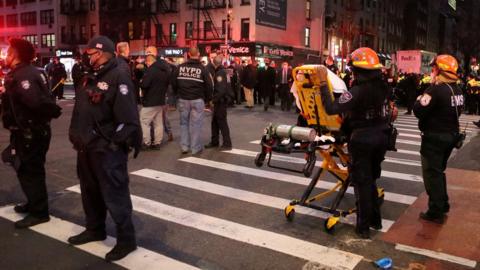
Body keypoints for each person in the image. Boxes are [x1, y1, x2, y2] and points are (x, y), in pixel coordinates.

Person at [68, 36, 141, 261]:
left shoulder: (118, 76)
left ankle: (126, 240)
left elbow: (128, 118)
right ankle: (95, 228)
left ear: (99, 53)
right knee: (90, 192)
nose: (86, 58)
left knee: (115, 194)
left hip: (106, 150)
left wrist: (112, 143)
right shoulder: (90, 75)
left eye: (89, 54)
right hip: (86, 148)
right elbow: (82, 109)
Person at [319, 47, 391, 238]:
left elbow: (331, 107)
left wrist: (322, 85)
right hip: (382, 137)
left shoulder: (358, 91)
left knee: (361, 183)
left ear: (358, 71)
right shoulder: (384, 87)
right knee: (371, 180)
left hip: (363, 140)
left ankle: (363, 228)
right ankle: (376, 221)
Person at [1, 38, 61, 228]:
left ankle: (39, 212)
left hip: (30, 133)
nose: (6, 55)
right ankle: (33, 203)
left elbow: (35, 102)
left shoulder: (23, 75)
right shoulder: (31, 72)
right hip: (29, 131)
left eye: (9, 52)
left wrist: (50, 113)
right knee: (26, 168)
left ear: (15, 55)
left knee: (30, 170)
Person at [413, 55, 464, 224]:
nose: (432, 71)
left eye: (434, 68)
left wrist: (419, 99)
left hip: (434, 139)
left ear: (440, 70)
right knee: (439, 171)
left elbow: (419, 110)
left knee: (431, 174)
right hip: (450, 137)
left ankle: (435, 211)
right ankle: (443, 203)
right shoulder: (457, 89)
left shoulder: (435, 89)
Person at [171, 47, 213, 155]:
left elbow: (173, 82)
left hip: (183, 99)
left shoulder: (180, 68)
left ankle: (184, 146)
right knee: (196, 124)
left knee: (184, 123)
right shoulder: (202, 69)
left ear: (189, 54)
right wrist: (208, 99)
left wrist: (177, 93)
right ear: (198, 54)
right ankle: (195, 148)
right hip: (197, 99)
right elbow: (209, 86)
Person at [139, 46, 171, 150]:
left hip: (150, 101)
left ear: (149, 62)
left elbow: (144, 85)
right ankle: (157, 142)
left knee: (144, 122)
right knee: (158, 123)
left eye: (147, 63)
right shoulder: (164, 69)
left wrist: (141, 82)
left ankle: (146, 142)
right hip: (160, 99)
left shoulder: (151, 70)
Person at [205, 55, 232, 150]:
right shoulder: (224, 71)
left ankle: (227, 143)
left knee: (221, 122)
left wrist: (213, 100)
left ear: (213, 63)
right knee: (215, 122)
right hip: (221, 100)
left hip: (220, 101)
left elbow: (220, 90)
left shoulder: (220, 73)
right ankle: (215, 141)